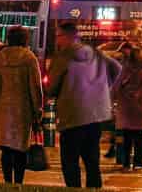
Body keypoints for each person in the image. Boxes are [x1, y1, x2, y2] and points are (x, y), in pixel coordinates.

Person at [49, 19, 120, 189]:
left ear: (67, 37)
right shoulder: (95, 53)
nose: (57, 40)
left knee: (70, 161)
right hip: (95, 115)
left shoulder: (63, 57)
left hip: (72, 116)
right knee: (92, 161)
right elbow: (117, 68)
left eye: (58, 36)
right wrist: (102, 88)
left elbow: (52, 87)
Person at [0, 24, 45, 185]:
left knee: (6, 148)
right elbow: (35, 87)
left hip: (1, 108)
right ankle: (18, 182)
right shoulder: (29, 58)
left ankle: (7, 181)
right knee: (20, 148)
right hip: (22, 109)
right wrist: (38, 110)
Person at [111, 42, 142, 171]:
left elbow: (114, 89)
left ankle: (125, 164)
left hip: (125, 109)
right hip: (140, 108)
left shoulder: (124, 70)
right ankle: (138, 161)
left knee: (127, 137)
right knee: (139, 137)